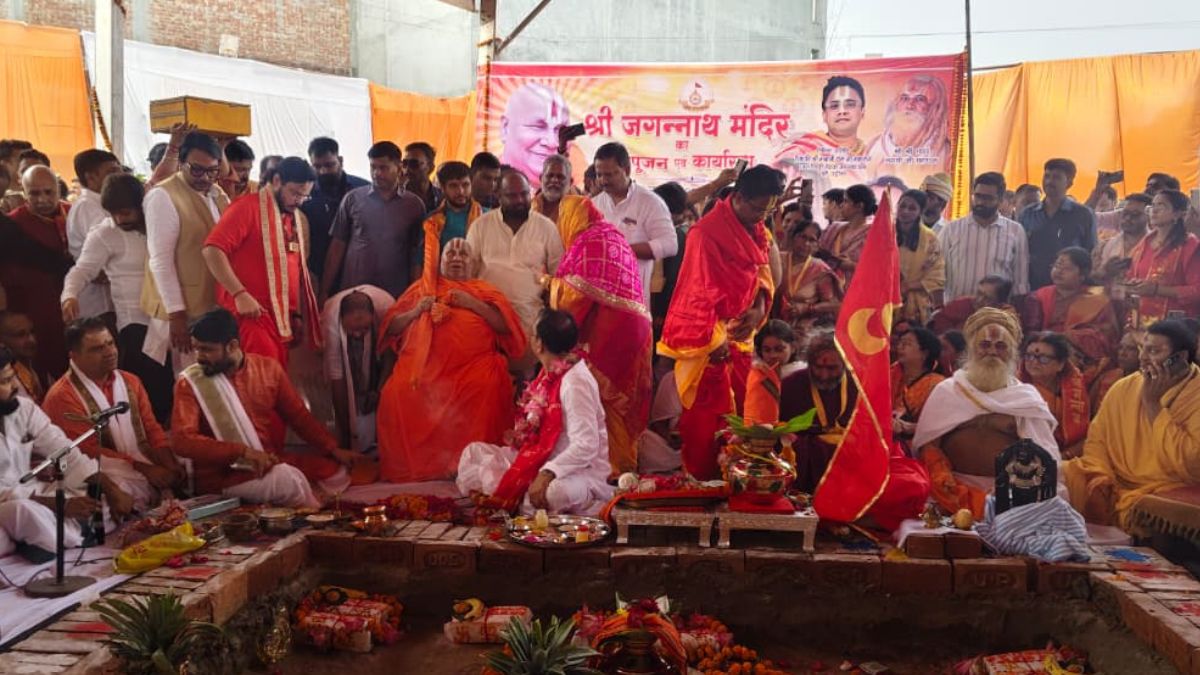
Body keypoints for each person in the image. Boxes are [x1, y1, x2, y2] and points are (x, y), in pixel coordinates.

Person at [659, 165, 783, 480]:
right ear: (738, 197)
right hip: (707, 344)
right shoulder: (705, 233)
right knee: (705, 420)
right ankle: (702, 483)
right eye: (757, 208)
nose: (761, 216)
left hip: (741, 337)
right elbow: (697, 292)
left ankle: (736, 479)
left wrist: (757, 309)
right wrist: (716, 342)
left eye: (767, 210)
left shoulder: (759, 232)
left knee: (743, 414)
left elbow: (763, 278)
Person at [171, 309, 358, 507]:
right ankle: (316, 519)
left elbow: (298, 417)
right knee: (288, 480)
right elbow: (182, 441)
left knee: (337, 473)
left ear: (232, 346)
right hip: (221, 478)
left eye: (207, 349)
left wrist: (333, 449)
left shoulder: (268, 369)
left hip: (264, 464)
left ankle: (307, 506)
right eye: (196, 349)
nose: (199, 357)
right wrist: (241, 452)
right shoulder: (190, 383)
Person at [377, 238, 525, 482]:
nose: (456, 258)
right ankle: (420, 468)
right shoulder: (423, 288)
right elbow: (390, 327)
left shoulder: (484, 289)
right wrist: (416, 312)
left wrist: (473, 304)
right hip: (423, 371)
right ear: (441, 261)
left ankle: (469, 466)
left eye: (463, 254)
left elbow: (505, 327)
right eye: (450, 253)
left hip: (473, 367)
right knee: (397, 391)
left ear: (474, 263)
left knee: (487, 386)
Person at [457, 309, 613, 515]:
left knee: (554, 494)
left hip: (578, 471)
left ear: (539, 344)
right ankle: (521, 498)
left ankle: (581, 501)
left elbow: (586, 444)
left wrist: (549, 472)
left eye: (532, 335)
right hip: (541, 459)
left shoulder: (575, 382)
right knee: (473, 453)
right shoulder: (549, 372)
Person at [912, 308, 1059, 518]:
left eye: (1000, 346)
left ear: (1011, 353)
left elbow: (1043, 455)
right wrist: (941, 476)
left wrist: (1012, 487)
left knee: (1052, 500)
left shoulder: (1026, 398)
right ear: (971, 350)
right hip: (949, 489)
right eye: (984, 345)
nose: (992, 351)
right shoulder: (948, 390)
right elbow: (929, 444)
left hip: (1008, 493)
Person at [1063, 320, 1200, 530]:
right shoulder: (1125, 386)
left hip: (1164, 485)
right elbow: (1097, 440)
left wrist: (1154, 406)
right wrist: (1100, 476)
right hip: (1111, 478)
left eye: (1154, 351)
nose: (1143, 358)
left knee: (1155, 510)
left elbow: (1193, 465)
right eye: (1142, 349)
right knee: (1051, 477)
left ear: (1179, 358)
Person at [550, 201, 653, 476]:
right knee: (624, 398)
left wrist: (549, 286)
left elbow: (573, 298)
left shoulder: (587, 242)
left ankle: (611, 468)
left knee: (604, 397)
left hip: (611, 333)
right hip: (638, 329)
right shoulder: (613, 235)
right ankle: (625, 465)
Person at [0, 347, 134, 558]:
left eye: (13, 377)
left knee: (108, 490)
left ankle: (47, 541)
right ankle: (68, 535)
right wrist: (57, 505)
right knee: (21, 512)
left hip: (34, 496)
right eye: (5, 381)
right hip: (12, 505)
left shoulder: (23, 408)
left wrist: (110, 488)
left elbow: (64, 451)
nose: (16, 386)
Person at [62, 173, 174, 422]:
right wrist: (69, 295)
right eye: (113, 213)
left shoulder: (157, 224)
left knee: (176, 388)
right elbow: (80, 271)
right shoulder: (104, 233)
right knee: (153, 396)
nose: (119, 219)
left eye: (125, 212)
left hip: (171, 319)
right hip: (136, 325)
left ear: (140, 205)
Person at [43, 318, 186, 510]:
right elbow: (87, 450)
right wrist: (145, 469)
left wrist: (168, 463)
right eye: (97, 349)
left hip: (139, 462)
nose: (109, 352)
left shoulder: (130, 381)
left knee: (187, 460)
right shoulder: (62, 396)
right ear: (74, 356)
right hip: (97, 470)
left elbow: (151, 428)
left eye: (110, 343)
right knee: (112, 492)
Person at [203, 157, 322, 369]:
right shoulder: (247, 207)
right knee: (260, 384)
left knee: (275, 382)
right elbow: (212, 250)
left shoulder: (291, 217)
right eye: (295, 193)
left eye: (305, 196)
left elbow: (292, 269)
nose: (299, 201)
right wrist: (239, 294)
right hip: (251, 315)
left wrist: (296, 313)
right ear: (276, 180)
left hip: (281, 318)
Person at [142, 131, 231, 371]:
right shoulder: (163, 196)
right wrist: (176, 314)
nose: (205, 177)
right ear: (181, 163)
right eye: (197, 169)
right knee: (191, 378)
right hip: (184, 307)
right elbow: (160, 261)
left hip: (213, 302)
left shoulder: (216, 194)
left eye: (212, 170)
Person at [321, 141, 426, 300]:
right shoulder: (353, 199)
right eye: (373, 167)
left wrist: (415, 295)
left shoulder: (414, 206)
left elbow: (417, 255)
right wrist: (324, 291)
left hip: (395, 293)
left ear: (399, 168)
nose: (376, 173)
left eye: (383, 168)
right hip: (354, 291)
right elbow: (337, 245)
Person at [467, 170, 564, 334]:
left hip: (530, 319)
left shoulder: (546, 227)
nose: (520, 200)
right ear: (498, 195)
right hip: (486, 317)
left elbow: (559, 277)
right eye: (512, 195)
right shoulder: (481, 226)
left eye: (524, 194)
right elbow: (468, 274)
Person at [0, 166, 74, 379]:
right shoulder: (12, 226)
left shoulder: (74, 215)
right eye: (34, 193)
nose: (42, 199)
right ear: (24, 193)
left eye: (48, 192)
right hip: (31, 312)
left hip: (73, 308)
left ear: (58, 190)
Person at [591, 143, 677, 302]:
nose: (603, 181)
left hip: (634, 300)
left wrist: (623, 251)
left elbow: (670, 244)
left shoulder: (650, 202)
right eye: (599, 175)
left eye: (609, 175)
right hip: (600, 297)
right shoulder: (594, 204)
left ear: (627, 170)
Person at [779, 331, 858, 493]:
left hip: (851, 455)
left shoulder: (858, 384)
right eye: (818, 367)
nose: (824, 375)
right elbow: (778, 425)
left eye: (832, 368)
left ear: (845, 362)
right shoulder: (791, 385)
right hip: (808, 459)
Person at [320, 285, 394, 453]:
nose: (358, 335)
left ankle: (384, 445)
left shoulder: (387, 309)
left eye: (364, 329)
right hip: (338, 333)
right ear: (341, 320)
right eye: (353, 329)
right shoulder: (331, 319)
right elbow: (336, 374)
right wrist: (345, 433)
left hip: (379, 340)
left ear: (373, 318)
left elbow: (391, 356)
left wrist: (379, 391)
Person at [1022, 247, 1119, 368]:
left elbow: (1105, 338)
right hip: (1042, 354)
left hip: (1082, 359)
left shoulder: (1098, 299)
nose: (1059, 271)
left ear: (1082, 275)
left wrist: (1069, 337)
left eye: (1067, 268)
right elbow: (1030, 335)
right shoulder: (1039, 297)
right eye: (1057, 265)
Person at [938, 172, 1029, 301]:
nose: (981, 202)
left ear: (1001, 199)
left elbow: (1020, 281)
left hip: (996, 314)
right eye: (978, 196)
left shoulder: (1015, 231)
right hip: (956, 311)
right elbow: (938, 274)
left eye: (988, 198)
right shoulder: (951, 230)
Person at [1124, 189, 1200, 327]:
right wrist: (1130, 286)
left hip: (1176, 327)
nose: (1155, 210)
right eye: (1153, 205)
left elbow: (1197, 291)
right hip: (1140, 322)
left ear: (1177, 214)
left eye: (1162, 206)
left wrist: (1157, 290)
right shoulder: (1144, 243)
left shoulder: (1189, 245)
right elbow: (1130, 275)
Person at [1019, 158, 1097, 291]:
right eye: (1047, 176)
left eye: (1056, 177)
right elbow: (1019, 253)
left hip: (1070, 290)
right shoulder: (1027, 214)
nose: (1049, 181)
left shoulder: (1083, 214)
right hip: (1034, 288)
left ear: (1069, 183)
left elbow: (1090, 253)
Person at [302, 137, 369, 286]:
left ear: (340, 160)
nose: (323, 171)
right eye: (317, 166)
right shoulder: (304, 194)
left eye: (329, 165)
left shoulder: (364, 190)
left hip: (356, 272)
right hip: (316, 275)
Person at [66, 149, 122, 322]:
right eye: (112, 172)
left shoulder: (103, 203)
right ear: (91, 177)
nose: (119, 176)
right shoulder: (87, 206)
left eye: (119, 170)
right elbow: (105, 255)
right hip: (99, 304)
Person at [1018, 331, 1089, 460]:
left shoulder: (1075, 388)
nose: (1033, 362)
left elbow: (1086, 436)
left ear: (1061, 364)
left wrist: (1064, 456)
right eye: (1029, 356)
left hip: (1070, 456)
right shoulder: (1017, 390)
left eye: (1043, 358)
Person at [867, 75, 951, 176]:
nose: (910, 105)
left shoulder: (946, 153)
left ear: (935, 108)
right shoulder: (874, 145)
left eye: (920, 99)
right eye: (904, 98)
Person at [775, 75, 869, 161]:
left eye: (850, 105)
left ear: (862, 112)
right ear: (824, 115)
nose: (842, 111)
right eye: (834, 106)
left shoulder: (873, 154)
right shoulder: (802, 152)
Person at [776, 219, 839, 341]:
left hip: (803, 330)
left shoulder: (820, 269)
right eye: (802, 237)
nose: (806, 244)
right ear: (793, 237)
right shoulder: (778, 259)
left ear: (817, 244)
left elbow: (833, 304)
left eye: (812, 240)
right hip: (772, 325)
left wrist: (807, 308)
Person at [499, 83, 570, 188]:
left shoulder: (578, 194)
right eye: (538, 127)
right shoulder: (487, 191)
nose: (552, 142)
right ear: (505, 128)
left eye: (560, 130)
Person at [896, 189, 946, 324]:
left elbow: (936, 277)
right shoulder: (884, 234)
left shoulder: (930, 239)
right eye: (902, 206)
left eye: (912, 208)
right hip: (885, 301)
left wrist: (907, 286)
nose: (905, 211)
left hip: (916, 307)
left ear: (921, 211)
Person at [891, 327, 945, 449]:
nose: (900, 347)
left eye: (907, 344)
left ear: (924, 353)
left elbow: (941, 426)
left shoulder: (937, 384)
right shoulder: (890, 374)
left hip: (917, 446)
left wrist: (910, 427)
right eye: (900, 342)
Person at [1088, 171, 1180, 238]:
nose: (1148, 189)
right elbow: (1087, 218)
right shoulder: (1124, 214)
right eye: (1148, 186)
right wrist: (1098, 190)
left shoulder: (1176, 224)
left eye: (1156, 186)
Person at [818, 184, 875, 285]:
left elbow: (873, 269)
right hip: (826, 285)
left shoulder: (871, 234)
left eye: (846, 201)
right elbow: (819, 252)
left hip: (854, 287)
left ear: (859, 206)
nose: (841, 205)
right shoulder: (834, 228)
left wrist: (850, 265)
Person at [533, 154, 592, 249]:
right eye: (550, 175)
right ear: (541, 178)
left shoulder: (580, 208)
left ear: (570, 182)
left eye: (560, 177)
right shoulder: (530, 207)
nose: (554, 180)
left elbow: (579, 248)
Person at [744, 320, 797, 426]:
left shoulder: (801, 376)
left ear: (793, 348)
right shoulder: (757, 375)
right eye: (767, 350)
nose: (773, 355)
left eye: (779, 349)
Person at [1093, 192, 1151, 286]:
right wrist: (1105, 271)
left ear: (1149, 217)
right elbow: (1092, 279)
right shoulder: (1106, 245)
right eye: (1125, 213)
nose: (1128, 218)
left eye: (1135, 214)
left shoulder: (1157, 245)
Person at [929, 275, 1018, 334]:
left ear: (999, 303)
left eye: (987, 298)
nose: (979, 299)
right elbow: (940, 320)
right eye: (979, 293)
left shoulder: (1007, 318)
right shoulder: (962, 304)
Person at [0, 311, 48, 403]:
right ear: (1, 340)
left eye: (32, 332)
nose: (32, 340)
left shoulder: (41, 370)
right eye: (21, 335)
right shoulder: (5, 381)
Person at [1090, 330, 1142, 413]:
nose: (1122, 353)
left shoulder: (1148, 385)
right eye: (1120, 347)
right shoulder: (1106, 378)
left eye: (1131, 348)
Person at [403, 142, 442, 212]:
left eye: (414, 163)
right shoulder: (397, 197)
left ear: (430, 167)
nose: (407, 169)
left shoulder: (442, 198)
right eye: (404, 163)